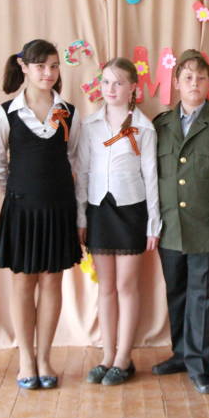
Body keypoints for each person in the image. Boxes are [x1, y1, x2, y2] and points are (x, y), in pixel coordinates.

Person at [151, 49, 209, 394]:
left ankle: (201, 365)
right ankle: (182, 353)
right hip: (171, 227)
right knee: (177, 293)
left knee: (205, 297)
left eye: (201, 78)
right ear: (177, 83)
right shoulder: (160, 125)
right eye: (188, 77)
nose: (194, 83)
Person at [0, 39, 81, 390]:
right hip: (22, 209)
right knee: (23, 281)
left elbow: (76, 161)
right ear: (24, 67)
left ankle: (45, 358)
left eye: (54, 66)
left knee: (52, 280)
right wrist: (17, 194)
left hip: (59, 207)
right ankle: (26, 358)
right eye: (41, 66)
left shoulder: (68, 113)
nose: (48, 73)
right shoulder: (6, 113)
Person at [76, 58, 161, 386]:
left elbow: (151, 176)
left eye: (118, 83)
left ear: (132, 88)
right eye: (106, 82)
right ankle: (107, 356)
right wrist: (81, 216)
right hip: (99, 210)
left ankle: (124, 358)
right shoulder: (90, 125)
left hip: (131, 211)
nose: (111, 89)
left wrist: (153, 223)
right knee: (106, 287)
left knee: (126, 286)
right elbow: (83, 172)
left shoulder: (144, 127)